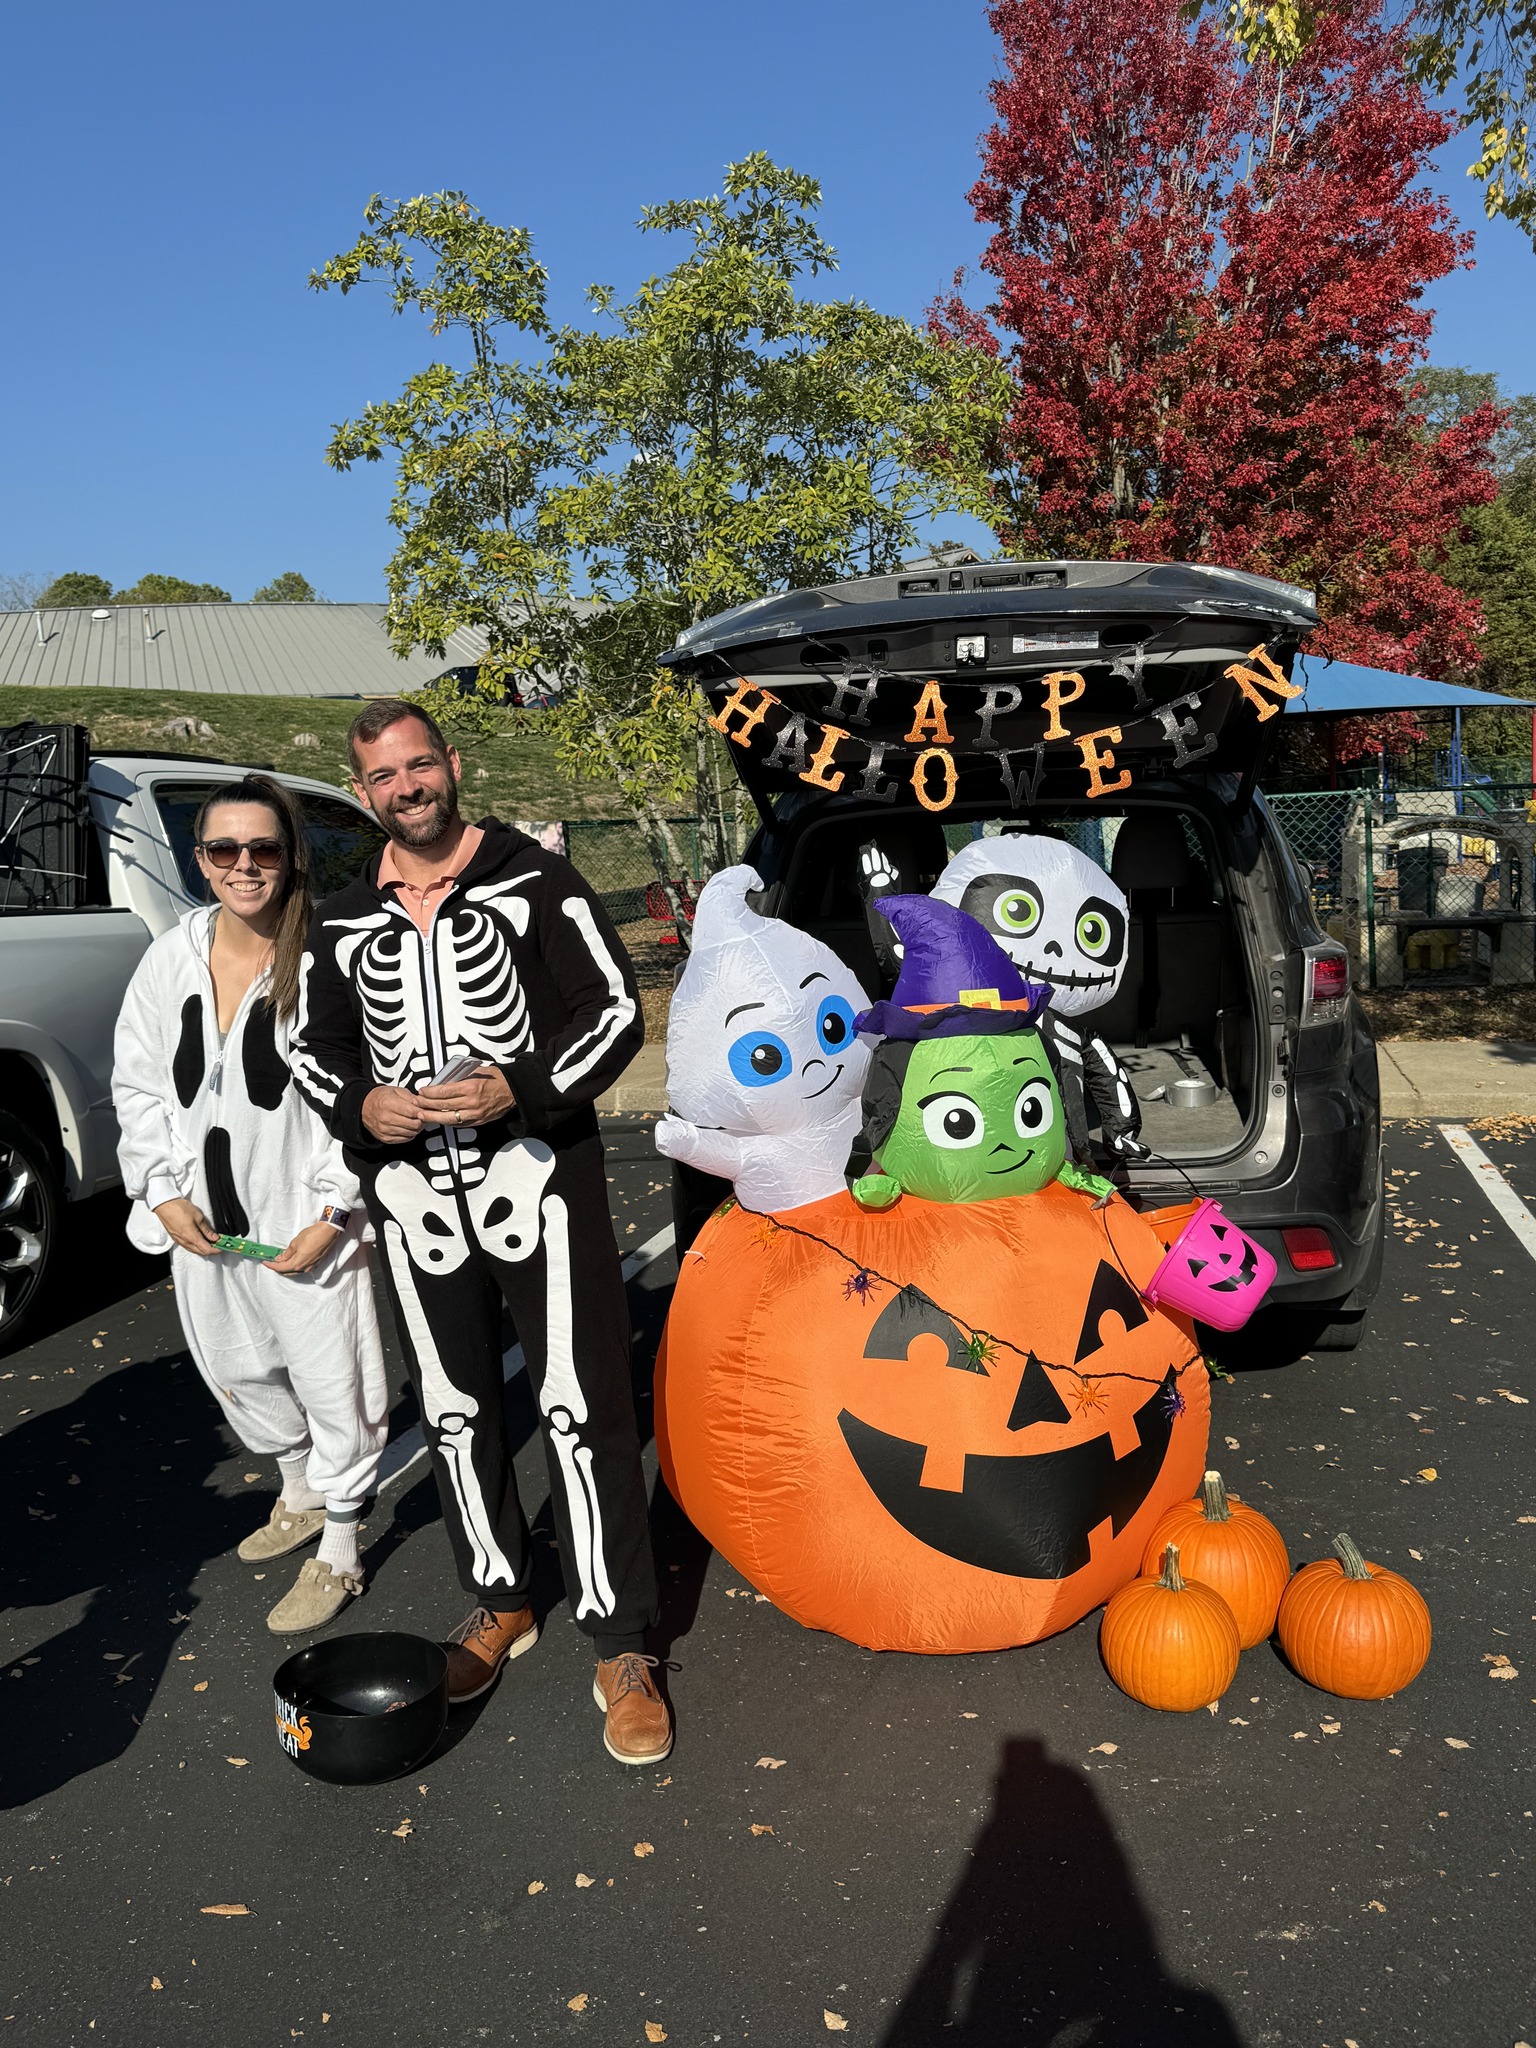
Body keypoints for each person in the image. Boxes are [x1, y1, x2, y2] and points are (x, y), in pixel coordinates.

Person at [288, 700, 670, 1766]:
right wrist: (361, 1106)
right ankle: (499, 1596)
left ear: (451, 767)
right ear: (363, 793)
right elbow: (314, 1052)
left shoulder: (534, 881)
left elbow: (614, 1011)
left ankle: (622, 1636)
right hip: (417, 1201)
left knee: (583, 1398)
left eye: (420, 766)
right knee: (454, 1407)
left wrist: (523, 1085)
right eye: (384, 776)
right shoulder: (339, 917)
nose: (406, 787)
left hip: (537, 1178)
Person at [113, 775, 389, 1634]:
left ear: (289, 856)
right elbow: (139, 1085)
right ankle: (299, 1489)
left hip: (301, 1217)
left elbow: (367, 1090)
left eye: (262, 848)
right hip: (205, 1222)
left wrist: (336, 1212)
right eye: (223, 849)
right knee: (236, 1369)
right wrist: (160, 1193)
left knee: (333, 1378)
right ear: (198, 861)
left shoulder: (325, 955)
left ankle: (340, 1544)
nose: (244, 865)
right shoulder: (173, 955)